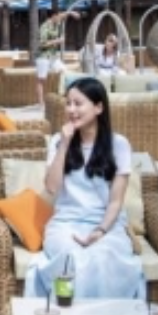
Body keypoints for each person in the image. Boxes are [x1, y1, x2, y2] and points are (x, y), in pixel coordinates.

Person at [24, 77, 144, 300]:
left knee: (102, 258)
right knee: (72, 258)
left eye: (78, 104)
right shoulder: (58, 141)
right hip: (65, 224)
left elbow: (116, 202)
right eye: (68, 103)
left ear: (98, 107)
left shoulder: (119, 144)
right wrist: (65, 144)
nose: (71, 110)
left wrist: (100, 231)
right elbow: (51, 187)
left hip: (106, 224)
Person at [34, 12, 71, 106]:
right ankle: (40, 103)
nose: (60, 20)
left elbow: (63, 15)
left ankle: (62, 96)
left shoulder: (56, 22)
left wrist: (72, 13)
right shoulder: (44, 27)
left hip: (53, 57)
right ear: (53, 16)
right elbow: (42, 44)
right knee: (41, 79)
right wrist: (57, 41)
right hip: (43, 56)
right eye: (58, 18)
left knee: (65, 71)